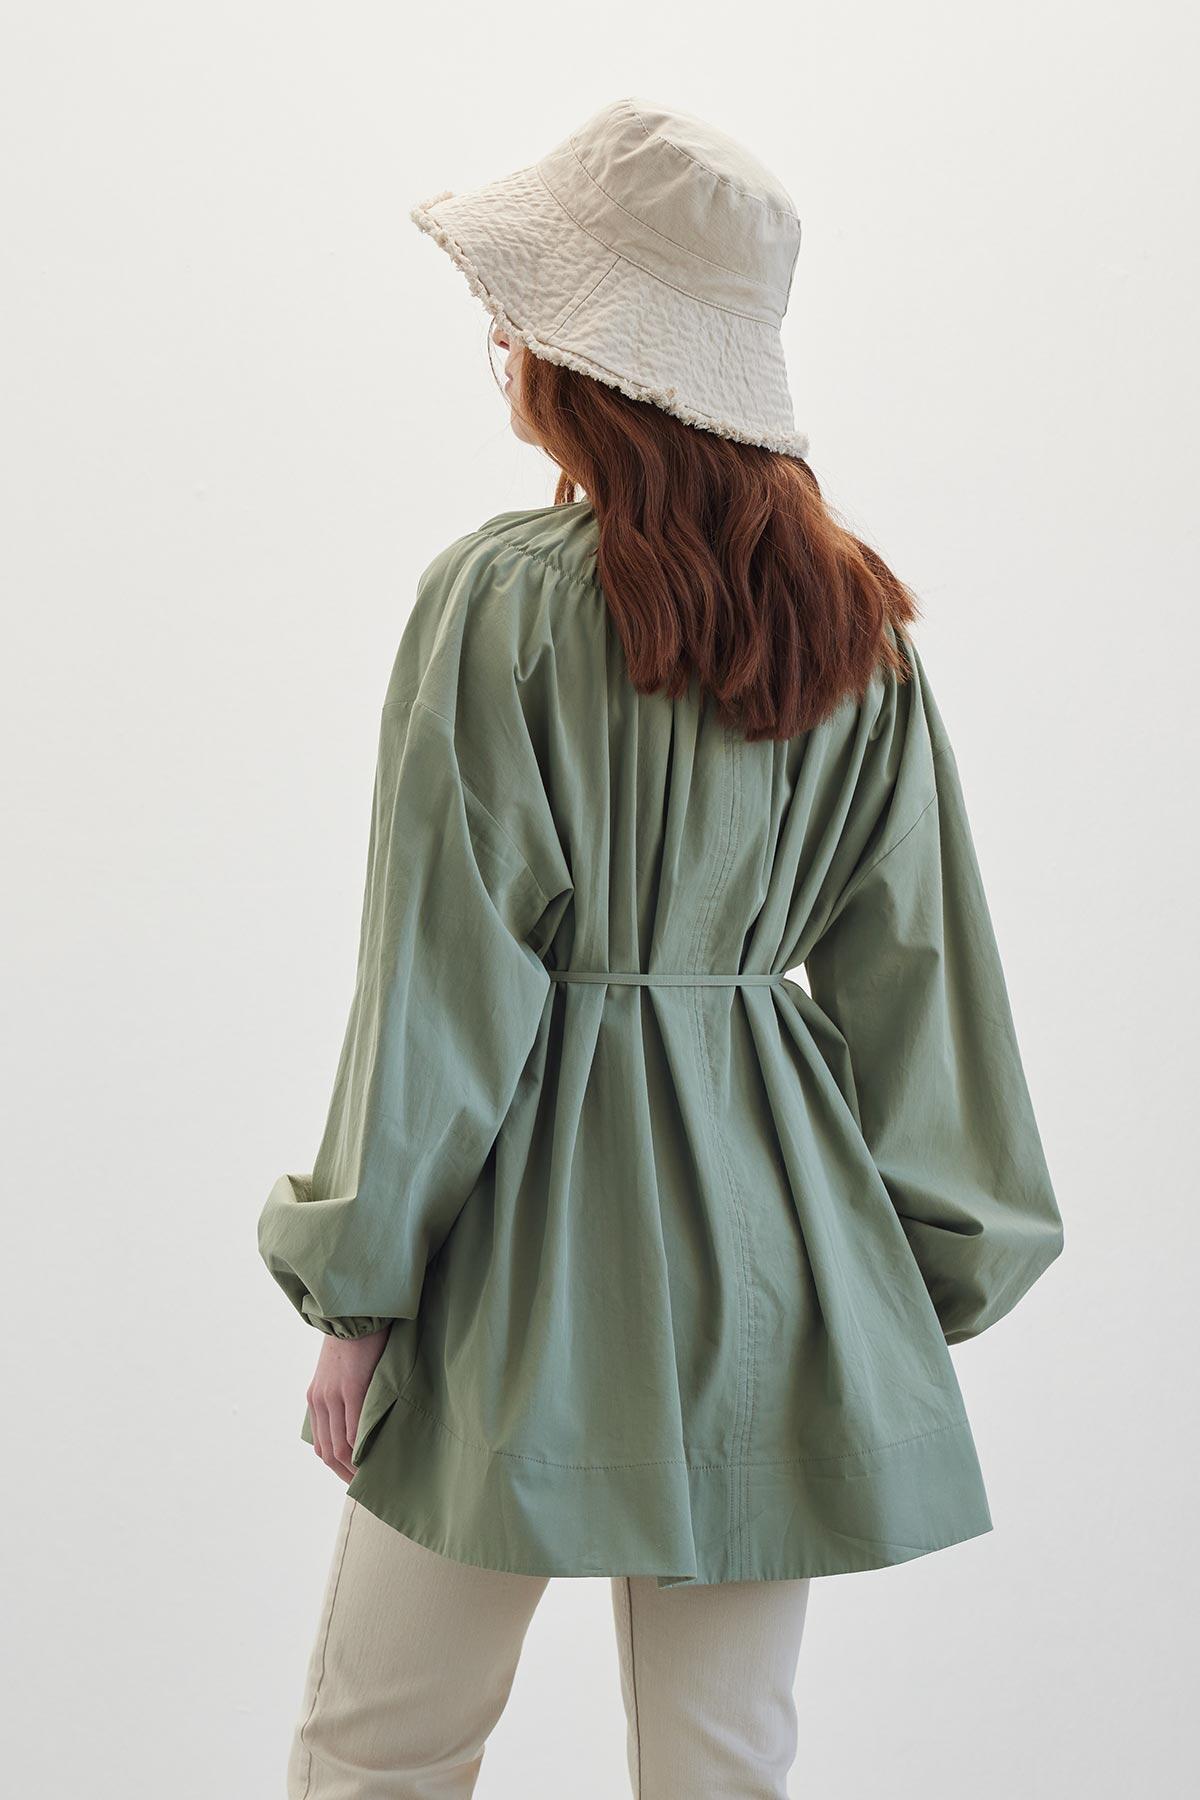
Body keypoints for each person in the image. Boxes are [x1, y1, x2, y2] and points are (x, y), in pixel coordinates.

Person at [257, 97, 1064, 1800]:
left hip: (521, 1252)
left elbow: (444, 977)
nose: (501, 343)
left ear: (592, 361)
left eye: (521, 315)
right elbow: (923, 969)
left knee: (383, 1737)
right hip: (772, 1254)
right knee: (724, 1756)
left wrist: (358, 1289)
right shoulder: (855, 627)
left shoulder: (501, 600)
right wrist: (935, 1262)